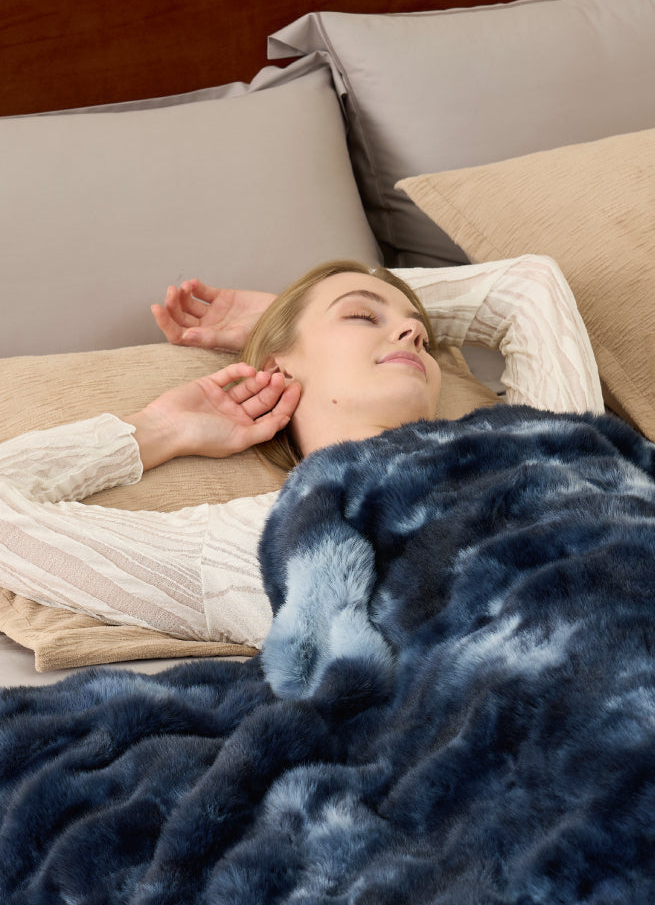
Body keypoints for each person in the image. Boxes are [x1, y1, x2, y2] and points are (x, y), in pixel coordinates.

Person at [0, 255, 603, 650]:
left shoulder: (534, 440)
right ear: (277, 366)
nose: (414, 332)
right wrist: (156, 431)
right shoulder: (263, 541)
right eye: (364, 317)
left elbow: (529, 285)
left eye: (421, 329)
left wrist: (284, 310)